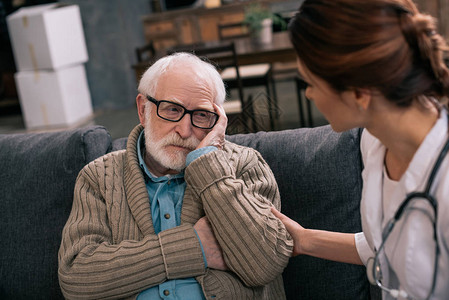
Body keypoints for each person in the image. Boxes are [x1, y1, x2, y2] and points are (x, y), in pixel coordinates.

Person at [58, 53, 293, 299]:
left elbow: (264, 265)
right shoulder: (99, 177)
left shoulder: (245, 165)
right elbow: (77, 280)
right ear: (142, 109)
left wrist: (208, 165)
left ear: (217, 121)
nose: (184, 130)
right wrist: (196, 247)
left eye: (201, 115)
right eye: (171, 109)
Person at [271, 0, 449, 299]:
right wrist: (303, 240)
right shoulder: (374, 142)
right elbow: (389, 245)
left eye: (311, 82)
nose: (308, 94)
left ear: (358, 92)